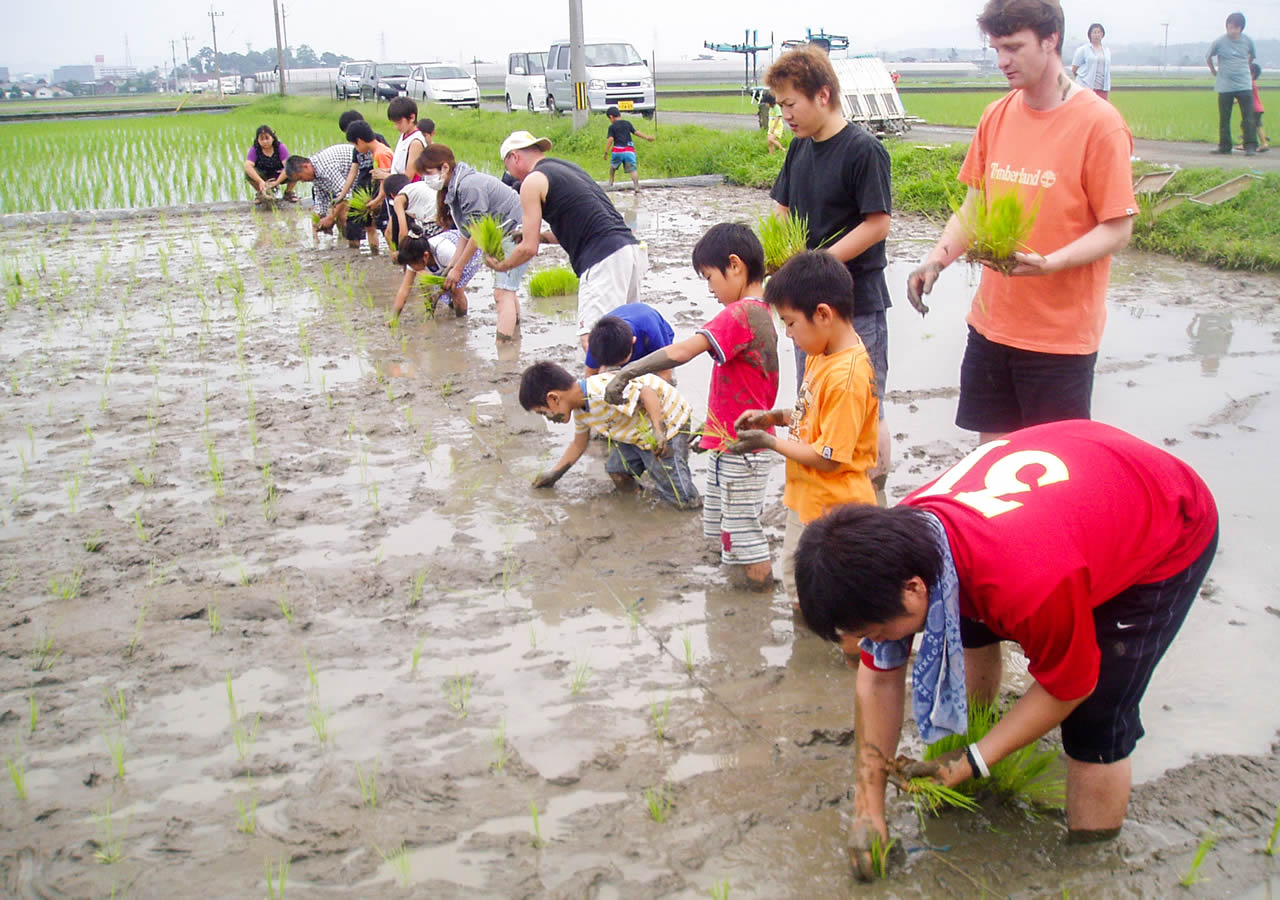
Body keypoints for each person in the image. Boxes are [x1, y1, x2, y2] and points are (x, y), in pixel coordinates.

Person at [792, 420, 1218, 880]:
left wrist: (971, 761)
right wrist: (867, 810)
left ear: (914, 589)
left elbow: (1069, 685)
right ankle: (983, 732)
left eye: (872, 629)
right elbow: (878, 679)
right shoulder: (911, 541)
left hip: (1167, 522)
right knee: (968, 621)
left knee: (1096, 716)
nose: (866, 644)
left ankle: (1091, 866)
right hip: (1073, 489)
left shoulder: (1027, 583)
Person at [906, 0, 1137, 445]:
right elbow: (974, 209)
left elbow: (1118, 227)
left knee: (1049, 472)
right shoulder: (997, 115)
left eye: (1013, 47)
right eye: (996, 48)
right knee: (990, 464)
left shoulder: (1099, 125)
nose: (1002, 61)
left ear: (1050, 40)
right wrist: (935, 261)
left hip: (1059, 341)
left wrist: (1051, 262)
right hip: (992, 327)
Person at [604, 223, 780, 588]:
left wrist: (627, 373)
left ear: (735, 266)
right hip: (730, 441)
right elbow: (746, 386)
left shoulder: (740, 313)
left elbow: (683, 351)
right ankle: (737, 596)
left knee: (743, 532)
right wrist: (709, 432)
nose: (710, 289)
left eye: (709, 277)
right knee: (725, 528)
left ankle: (756, 602)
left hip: (743, 448)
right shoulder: (759, 311)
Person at [766, 47, 893, 495]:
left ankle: (870, 495)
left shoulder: (864, 150)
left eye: (790, 104)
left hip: (855, 302)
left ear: (822, 95)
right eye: (780, 106)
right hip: (806, 308)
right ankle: (821, 493)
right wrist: (785, 259)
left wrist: (820, 264)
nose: (785, 115)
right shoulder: (799, 149)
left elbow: (877, 223)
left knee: (862, 407)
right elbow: (781, 208)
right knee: (813, 399)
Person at [723, 251, 877, 604]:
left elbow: (829, 457)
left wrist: (769, 442)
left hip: (834, 510)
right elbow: (814, 418)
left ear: (823, 314)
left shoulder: (846, 377)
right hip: (807, 500)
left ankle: (846, 655)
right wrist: (774, 418)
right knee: (799, 588)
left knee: (827, 598)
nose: (788, 334)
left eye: (790, 323)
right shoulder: (822, 354)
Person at [493, 130, 647, 352]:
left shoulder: (532, 182)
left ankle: (604, 386)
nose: (511, 174)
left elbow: (528, 248)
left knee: (593, 338)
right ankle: (637, 383)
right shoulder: (566, 168)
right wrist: (544, 237)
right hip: (629, 250)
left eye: (507, 165)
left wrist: (502, 266)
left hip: (603, 258)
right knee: (626, 333)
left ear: (514, 157)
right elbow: (583, 221)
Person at [519, 361, 700, 509]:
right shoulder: (580, 410)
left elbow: (647, 393)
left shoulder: (601, 391)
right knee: (617, 470)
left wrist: (658, 431)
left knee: (677, 493)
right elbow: (578, 444)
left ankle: (690, 505)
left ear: (553, 398)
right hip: (634, 432)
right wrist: (554, 474)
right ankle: (635, 502)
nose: (550, 419)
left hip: (668, 423)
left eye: (544, 413)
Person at [415, 143, 530, 341]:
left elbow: (476, 234)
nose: (426, 180)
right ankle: (515, 337)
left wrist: (458, 270)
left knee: (502, 294)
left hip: (514, 232)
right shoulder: (454, 188)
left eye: (428, 173)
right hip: (501, 235)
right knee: (507, 290)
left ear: (444, 167)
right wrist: (451, 266)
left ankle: (505, 351)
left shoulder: (469, 187)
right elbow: (465, 233)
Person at [391, 228, 479, 321]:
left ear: (425, 256)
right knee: (444, 288)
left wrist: (437, 295)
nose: (412, 268)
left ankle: (462, 321)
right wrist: (394, 318)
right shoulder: (413, 258)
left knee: (455, 291)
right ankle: (452, 310)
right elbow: (404, 290)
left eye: (412, 264)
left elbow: (456, 276)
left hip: (465, 251)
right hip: (446, 262)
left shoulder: (444, 252)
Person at [1207, 12, 1258, 156]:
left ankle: (1250, 146)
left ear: (1240, 28)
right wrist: (1214, 71)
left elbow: (1252, 56)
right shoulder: (1220, 41)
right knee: (1224, 117)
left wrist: (1244, 69)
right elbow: (1208, 56)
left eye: (1234, 28)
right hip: (1225, 85)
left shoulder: (1248, 41)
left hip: (1244, 84)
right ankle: (1224, 146)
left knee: (1248, 116)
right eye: (1229, 27)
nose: (1231, 31)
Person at [283, 146, 359, 236]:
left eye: (300, 177)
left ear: (305, 166)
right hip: (348, 182)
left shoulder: (326, 168)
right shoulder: (315, 175)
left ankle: (353, 244)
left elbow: (345, 195)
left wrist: (330, 218)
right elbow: (321, 202)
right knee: (338, 213)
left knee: (343, 214)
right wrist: (317, 222)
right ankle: (344, 239)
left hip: (363, 173)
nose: (302, 181)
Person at [584, 303, 675, 377]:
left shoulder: (651, 331)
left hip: (652, 336)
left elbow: (665, 371)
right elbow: (590, 375)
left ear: (633, 341)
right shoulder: (598, 342)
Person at [344, 119, 394, 252]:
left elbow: (386, 182)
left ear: (359, 141)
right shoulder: (379, 151)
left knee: (390, 234)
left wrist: (377, 200)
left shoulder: (380, 153)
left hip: (389, 199)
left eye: (355, 145)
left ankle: (397, 260)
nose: (356, 149)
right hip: (386, 198)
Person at [604, 106, 655, 191]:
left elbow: (610, 139)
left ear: (611, 117)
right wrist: (647, 137)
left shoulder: (612, 127)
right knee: (633, 170)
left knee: (613, 167)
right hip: (629, 150)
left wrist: (606, 152)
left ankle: (611, 181)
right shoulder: (627, 123)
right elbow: (636, 132)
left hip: (618, 150)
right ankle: (636, 186)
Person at [243, 125, 293, 201]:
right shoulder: (255, 149)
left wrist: (277, 182)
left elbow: (288, 166)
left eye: (267, 138)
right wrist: (260, 181)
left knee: (295, 168)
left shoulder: (280, 147)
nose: (265, 141)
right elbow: (247, 165)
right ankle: (261, 193)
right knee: (247, 173)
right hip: (263, 175)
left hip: (279, 174)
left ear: (272, 138)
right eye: (261, 139)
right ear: (258, 140)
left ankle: (288, 193)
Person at [1070, 22, 1111, 99]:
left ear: (1102, 34)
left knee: (1101, 110)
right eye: (1094, 32)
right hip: (1086, 87)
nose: (1097, 35)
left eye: (1099, 32)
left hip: (1102, 88)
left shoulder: (1106, 50)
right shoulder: (1083, 50)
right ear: (1090, 34)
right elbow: (1074, 69)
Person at [1240, 62, 1269, 151]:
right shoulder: (1252, 82)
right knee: (1257, 125)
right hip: (1258, 108)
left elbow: (1246, 95)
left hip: (1254, 108)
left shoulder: (1249, 82)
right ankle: (1262, 143)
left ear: (1252, 72)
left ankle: (1262, 143)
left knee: (1246, 125)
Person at [763, 91, 785, 155]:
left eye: (766, 103)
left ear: (770, 102)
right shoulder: (771, 108)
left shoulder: (776, 108)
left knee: (771, 139)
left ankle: (782, 148)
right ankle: (771, 155)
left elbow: (778, 117)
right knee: (769, 142)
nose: (765, 104)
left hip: (776, 128)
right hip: (771, 128)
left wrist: (773, 128)